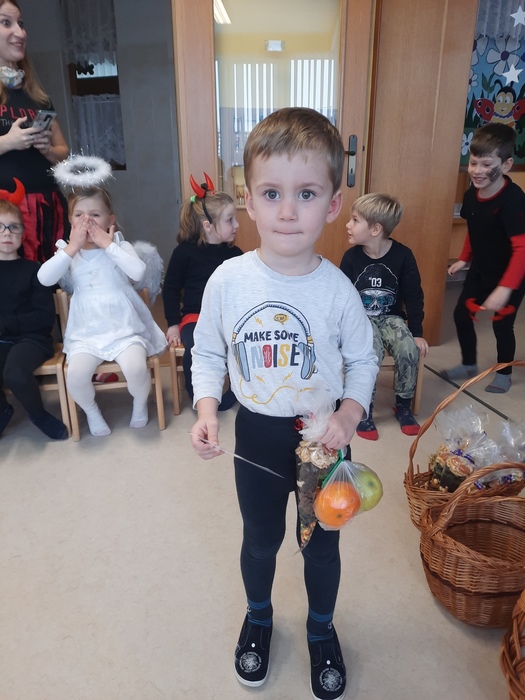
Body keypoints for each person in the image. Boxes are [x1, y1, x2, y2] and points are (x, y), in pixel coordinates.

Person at [189, 107, 378, 700]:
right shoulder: (227, 281)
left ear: (335, 204)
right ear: (248, 201)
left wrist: (350, 414)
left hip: (323, 438)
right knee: (260, 538)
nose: (288, 211)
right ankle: (259, 617)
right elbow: (208, 352)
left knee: (322, 544)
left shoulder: (339, 290)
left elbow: (364, 360)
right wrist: (205, 409)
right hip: (257, 434)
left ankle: (321, 627)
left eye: (307, 194)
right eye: (272, 194)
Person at [37, 185, 167, 437]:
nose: (87, 221)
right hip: (86, 332)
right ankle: (92, 411)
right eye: (79, 215)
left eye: (95, 215)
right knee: (76, 376)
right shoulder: (67, 251)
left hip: (125, 329)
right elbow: (44, 278)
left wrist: (108, 244)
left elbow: (138, 272)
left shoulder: (120, 245)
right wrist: (72, 247)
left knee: (136, 369)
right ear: (70, 220)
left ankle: (140, 403)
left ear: (110, 220)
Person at [441, 123, 525, 393]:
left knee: (502, 324)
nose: (477, 171)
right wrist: (464, 258)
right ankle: (468, 364)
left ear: (506, 164)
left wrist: (505, 288)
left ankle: (504, 373)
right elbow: (474, 229)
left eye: (486, 164)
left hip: (512, 273)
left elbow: (522, 249)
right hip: (481, 268)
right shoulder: (471, 195)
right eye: (473, 163)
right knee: (461, 314)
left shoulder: (513, 200)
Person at [340, 193, 428, 439]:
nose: (348, 225)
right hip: (361, 320)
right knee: (370, 353)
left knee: (408, 349)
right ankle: (364, 408)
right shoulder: (351, 258)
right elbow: (341, 299)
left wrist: (417, 333)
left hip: (392, 318)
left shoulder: (403, 255)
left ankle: (403, 405)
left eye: (355, 220)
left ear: (375, 229)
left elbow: (414, 296)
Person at [162, 180, 242, 409]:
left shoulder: (235, 254)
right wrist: (173, 325)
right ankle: (200, 395)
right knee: (196, 348)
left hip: (228, 319)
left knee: (240, 345)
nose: (236, 225)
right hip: (195, 319)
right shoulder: (184, 253)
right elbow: (170, 289)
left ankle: (237, 391)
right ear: (208, 226)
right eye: (230, 220)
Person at [0, 0, 70, 263]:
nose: (20, 32)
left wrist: (48, 150)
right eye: (6, 22)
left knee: (53, 278)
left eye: (21, 23)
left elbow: (63, 151)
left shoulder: (37, 96)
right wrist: (8, 142)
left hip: (49, 208)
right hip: (7, 216)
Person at [0, 179, 68, 440]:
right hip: (2, 339)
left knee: (15, 373)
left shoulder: (35, 271)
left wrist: (7, 323)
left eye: (13, 227)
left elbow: (43, 317)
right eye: (0, 227)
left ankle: (38, 415)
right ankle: (3, 410)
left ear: (22, 233)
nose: (7, 233)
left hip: (32, 340)